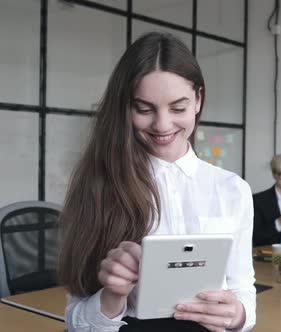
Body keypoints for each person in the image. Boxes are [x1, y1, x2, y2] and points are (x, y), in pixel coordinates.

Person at [57, 32, 256, 332]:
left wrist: (238, 315)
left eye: (178, 108)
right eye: (144, 109)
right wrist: (112, 295)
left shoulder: (232, 190)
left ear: (198, 99)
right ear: (125, 106)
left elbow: (244, 292)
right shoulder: (99, 186)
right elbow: (75, 323)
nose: (162, 125)